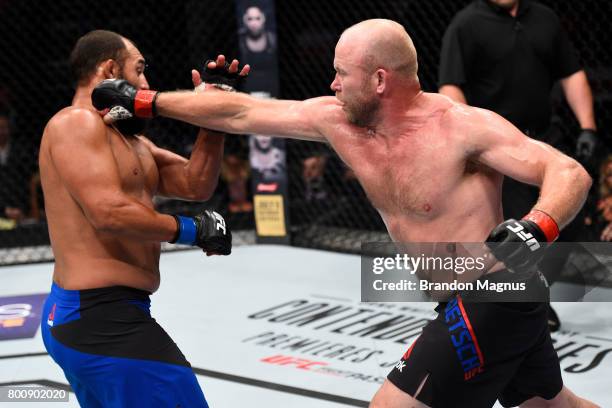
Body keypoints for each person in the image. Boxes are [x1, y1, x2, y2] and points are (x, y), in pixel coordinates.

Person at [92, 19, 598, 408]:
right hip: (467, 299)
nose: (331, 83)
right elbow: (241, 112)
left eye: (341, 73)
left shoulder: (462, 128)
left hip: (493, 290)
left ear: (380, 80)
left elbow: (567, 171)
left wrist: (538, 226)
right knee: (552, 405)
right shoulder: (339, 122)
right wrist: (147, 102)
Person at [39, 30, 237, 407]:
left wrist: (215, 116)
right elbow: (107, 213)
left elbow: (196, 183)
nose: (146, 83)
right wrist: (192, 230)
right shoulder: (75, 124)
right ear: (110, 69)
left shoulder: (132, 141)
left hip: (109, 314)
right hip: (97, 318)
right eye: (139, 69)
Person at [438, 0, 600, 331]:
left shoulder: (544, 17)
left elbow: (571, 74)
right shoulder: (465, 24)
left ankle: (534, 301)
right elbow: (451, 86)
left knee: (565, 221)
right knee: (511, 231)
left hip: (544, 141)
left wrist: (587, 127)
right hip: (497, 151)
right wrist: (469, 140)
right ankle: (516, 307)